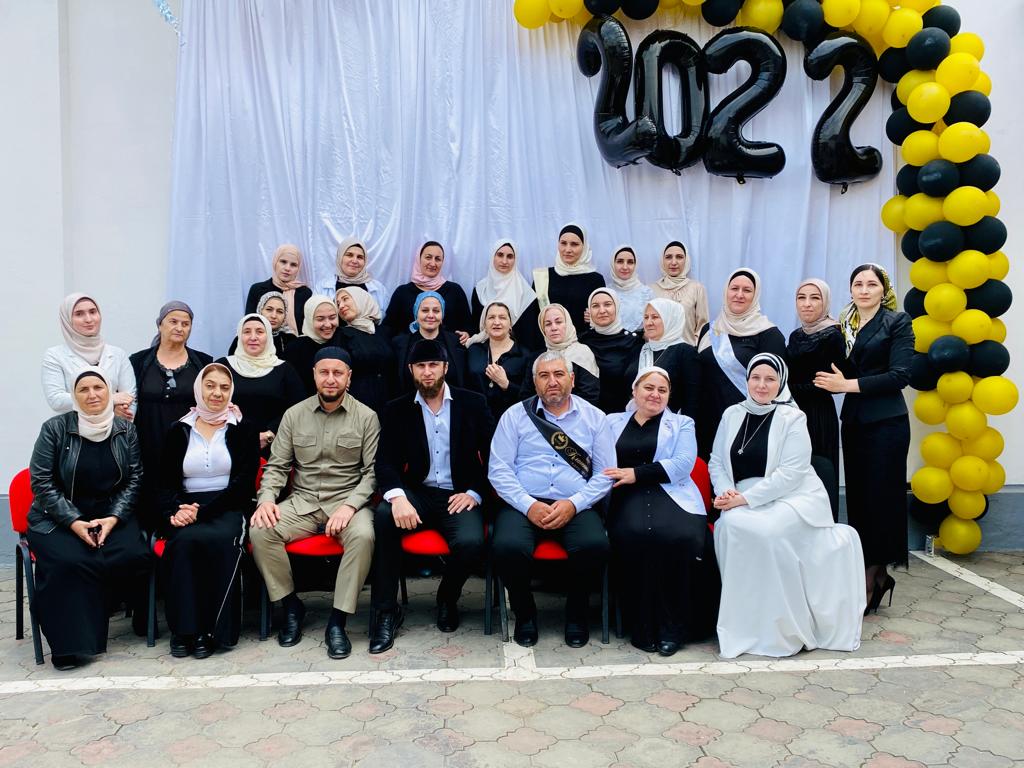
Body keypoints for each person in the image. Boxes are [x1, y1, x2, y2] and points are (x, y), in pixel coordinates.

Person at [710, 353, 865, 658]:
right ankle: (745, 626)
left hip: (793, 497)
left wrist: (745, 500)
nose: (762, 385)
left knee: (767, 532)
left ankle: (782, 629)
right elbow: (716, 461)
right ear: (747, 380)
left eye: (770, 379)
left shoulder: (793, 417)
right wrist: (726, 492)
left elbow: (791, 474)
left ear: (780, 383)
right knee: (730, 525)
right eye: (756, 378)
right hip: (741, 495)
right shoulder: (731, 414)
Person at [249, 347, 379, 659]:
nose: (330, 379)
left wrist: (350, 507)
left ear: (349, 377)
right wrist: (266, 500)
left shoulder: (367, 417)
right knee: (261, 530)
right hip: (303, 502)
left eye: (338, 373)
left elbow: (372, 473)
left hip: (348, 503)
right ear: (314, 376)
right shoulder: (294, 415)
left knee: (363, 536)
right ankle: (291, 606)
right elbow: (277, 466)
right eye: (324, 372)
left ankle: (338, 621)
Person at [369, 339, 494, 652]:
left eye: (433, 365)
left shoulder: (473, 403)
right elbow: (385, 462)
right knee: (383, 517)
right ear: (411, 370)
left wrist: (475, 492)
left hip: (458, 494)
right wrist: (397, 497)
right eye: (421, 366)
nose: (427, 372)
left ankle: (447, 598)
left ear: (445, 368)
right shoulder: (397, 409)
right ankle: (386, 611)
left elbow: (495, 457)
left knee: (470, 542)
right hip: (418, 493)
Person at [26, 369, 150, 670]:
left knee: (134, 552)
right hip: (57, 518)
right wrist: (74, 521)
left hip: (109, 515)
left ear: (109, 392)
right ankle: (69, 646)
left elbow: (135, 479)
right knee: (70, 561)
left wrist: (113, 518)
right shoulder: (55, 429)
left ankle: (134, 621)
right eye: (84, 389)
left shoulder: (125, 430)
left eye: (99, 387)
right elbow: (41, 482)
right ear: (74, 395)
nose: (92, 394)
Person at [490, 351, 614, 648]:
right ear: (535, 383)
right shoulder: (515, 416)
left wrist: (574, 504)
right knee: (507, 547)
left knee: (594, 545)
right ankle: (525, 614)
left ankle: (577, 615)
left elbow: (606, 474)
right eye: (544, 376)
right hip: (524, 503)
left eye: (559, 374)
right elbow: (499, 469)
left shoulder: (595, 418)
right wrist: (528, 505)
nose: (552, 381)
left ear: (572, 379)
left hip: (575, 503)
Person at [814, 264, 914, 612]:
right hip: (855, 422)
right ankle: (868, 572)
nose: (864, 289)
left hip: (887, 424)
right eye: (858, 283)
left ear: (883, 290)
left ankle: (875, 576)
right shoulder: (845, 324)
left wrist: (846, 385)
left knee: (881, 501)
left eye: (872, 284)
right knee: (859, 501)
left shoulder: (897, 322)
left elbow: (900, 375)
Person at [604, 367, 711, 656]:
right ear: (634, 390)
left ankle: (674, 628)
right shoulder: (611, 422)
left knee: (679, 537)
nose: (655, 394)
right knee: (636, 535)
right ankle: (642, 626)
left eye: (662, 390)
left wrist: (636, 473)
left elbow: (683, 463)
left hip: (672, 493)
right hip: (625, 496)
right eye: (649, 388)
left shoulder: (682, 423)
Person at [157, 363, 259, 658]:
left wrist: (202, 512)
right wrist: (175, 511)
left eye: (224, 388)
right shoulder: (179, 429)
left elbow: (243, 484)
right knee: (182, 543)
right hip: (186, 506)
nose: (217, 393)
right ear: (198, 389)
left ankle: (211, 631)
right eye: (210, 386)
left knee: (219, 542)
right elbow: (164, 482)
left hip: (228, 507)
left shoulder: (243, 428)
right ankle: (183, 630)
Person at [129, 301, 213, 530]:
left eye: (185, 324)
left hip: (188, 444)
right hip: (147, 442)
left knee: (181, 501)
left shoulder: (203, 362)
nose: (179, 327)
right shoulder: (138, 362)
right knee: (148, 500)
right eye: (173, 322)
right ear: (160, 325)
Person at [696, 268, 787, 458]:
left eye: (747, 290)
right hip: (707, 422)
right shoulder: (709, 330)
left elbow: (776, 387)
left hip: (748, 424)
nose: (739, 295)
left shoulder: (769, 334)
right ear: (726, 291)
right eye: (734, 288)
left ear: (756, 295)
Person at [786, 279, 845, 515]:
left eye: (815, 298)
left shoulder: (835, 334)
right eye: (801, 298)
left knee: (820, 475)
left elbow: (831, 383)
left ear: (825, 302)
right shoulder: (795, 335)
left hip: (818, 414)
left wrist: (789, 389)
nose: (807, 304)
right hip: (792, 413)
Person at [217, 314, 304, 455]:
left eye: (259, 332)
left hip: (274, 448)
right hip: (226, 446)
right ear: (239, 336)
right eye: (247, 332)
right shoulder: (223, 366)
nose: (253, 337)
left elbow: (298, 408)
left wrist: (270, 434)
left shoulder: (284, 369)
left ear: (268, 336)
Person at [42, 293, 136, 419]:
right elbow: (56, 400)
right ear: (67, 320)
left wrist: (124, 411)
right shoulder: (55, 355)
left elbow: (129, 396)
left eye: (92, 312)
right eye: (79, 314)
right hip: (73, 428)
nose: (88, 319)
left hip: (113, 426)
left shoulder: (118, 354)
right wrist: (111, 399)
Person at [626, 299, 700, 419]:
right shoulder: (639, 350)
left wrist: (686, 426)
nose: (648, 323)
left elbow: (692, 398)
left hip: (670, 424)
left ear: (670, 319)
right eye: (646, 317)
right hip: (635, 421)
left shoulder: (685, 352)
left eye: (655, 317)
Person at [466, 240, 542, 351]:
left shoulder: (526, 294)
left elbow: (530, 334)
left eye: (510, 256)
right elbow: (475, 327)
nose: (504, 261)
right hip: (484, 354)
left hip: (517, 355)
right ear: (493, 257)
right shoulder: (480, 290)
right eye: (500, 255)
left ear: (515, 260)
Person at [383, 241, 471, 337]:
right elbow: (388, 328)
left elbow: (469, 325)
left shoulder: (455, 291)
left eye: (438, 259)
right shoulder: (402, 292)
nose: (433, 263)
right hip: (409, 346)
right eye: (428, 257)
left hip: (448, 346)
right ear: (419, 259)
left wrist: (467, 334)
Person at [521, 304, 600, 408]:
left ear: (568, 324)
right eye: (548, 324)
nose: (554, 328)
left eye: (558, 322)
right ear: (543, 329)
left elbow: (589, 396)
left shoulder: (582, 353)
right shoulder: (537, 358)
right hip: (541, 415)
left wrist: (560, 411)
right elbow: (526, 395)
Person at [579, 289, 643, 414]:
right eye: (595, 306)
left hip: (621, 415)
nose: (602, 310)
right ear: (589, 311)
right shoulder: (581, 341)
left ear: (617, 307)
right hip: (586, 415)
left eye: (607, 304)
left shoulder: (633, 342)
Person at [532, 224, 606, 332]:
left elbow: (603, 314)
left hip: (585, 340)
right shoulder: (543, 277)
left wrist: (596, 317)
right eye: (563, 243)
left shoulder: (595, 280)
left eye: (574, 244)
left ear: (584, 246)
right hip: (548, 340)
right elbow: (534, 317)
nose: (568, 249)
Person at [465, 301, 531, 421]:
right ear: (485, 324)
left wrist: (506, 384)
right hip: (475, 420)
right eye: (491, 317)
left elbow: (529, 396)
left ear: (510, 324)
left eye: (502, 317)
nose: (496, 322)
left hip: (511, 420)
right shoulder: (473, 351)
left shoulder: (524, 355)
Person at [334, 286, 395, 414]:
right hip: (359, 406)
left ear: (361, 299)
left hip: (389, 402)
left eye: (345, 299)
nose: (341, 306)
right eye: (338, 304)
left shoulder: (384, 332)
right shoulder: (341, 335)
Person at [392, 291, 467, 393]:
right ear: (416, 313)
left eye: (436, 311)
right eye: (425, 310)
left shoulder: (457, 341)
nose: (431, 315)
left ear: (442, 315)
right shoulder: (399, 344)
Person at [244, 244, 312, 336]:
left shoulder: (304, 293)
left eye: (293, 265)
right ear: (275, 262)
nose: (287, 268)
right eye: (283, 262)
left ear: (298, 268)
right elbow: (249, 324)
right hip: (262, 342)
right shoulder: (257, 289)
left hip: (295, 343)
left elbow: (307, 328)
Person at [651, 241, 709, 346]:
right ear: (662, 261)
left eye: (679, 257)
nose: (674, 262)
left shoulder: (697, 288)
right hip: (659, 351)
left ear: (686, 260)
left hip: (688, 351)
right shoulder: (652, 289)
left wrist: (694, 348)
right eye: (668, 257)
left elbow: (703, 326)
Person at [282, 295, 342, 394]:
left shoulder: (344, 341)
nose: (328, 324)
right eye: (320, 319)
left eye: (332, 318)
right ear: (309, 319)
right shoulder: (295, 349)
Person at [228, 292, 297, 356]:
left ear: (285, 316)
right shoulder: (243, 338)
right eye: (269, 310)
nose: (274, 316)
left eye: (280, 311)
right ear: (260, 311)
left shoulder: (290, 339)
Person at [332, 237, 391, 311]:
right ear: (340, 257)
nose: (354, 261)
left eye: (360, 257)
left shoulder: (379, 290)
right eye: (349, 255)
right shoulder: (322, 288)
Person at [608, 245, 654, 331]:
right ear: (613, 264)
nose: (625, 267)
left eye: (630, 262)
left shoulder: (646, 293)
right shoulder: (606, 292)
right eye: (620, 261)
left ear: (635, 265)